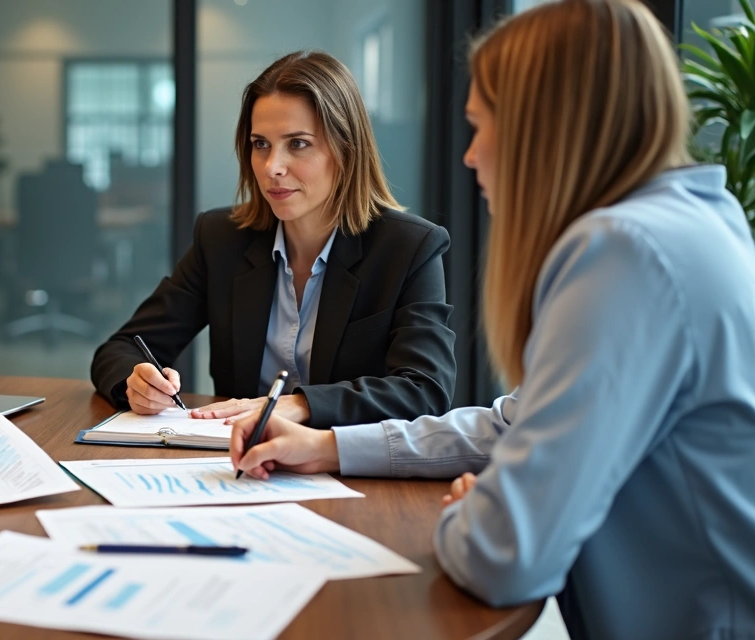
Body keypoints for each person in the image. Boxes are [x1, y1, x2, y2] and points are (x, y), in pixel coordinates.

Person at [228, 1, 755, 638]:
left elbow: (506, 555)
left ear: (546, 126)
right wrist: (329, 447)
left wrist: (470, 516)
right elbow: (517, 423)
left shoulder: (623, 254)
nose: (472, 156)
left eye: (482, 125)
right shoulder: (692, 221)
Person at [91, 51, 456, 429]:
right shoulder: (221, 239)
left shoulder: (409, 248)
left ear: (346, 149)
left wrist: (299, 406)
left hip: (350, 470)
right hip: (237, 467)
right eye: (260, 143)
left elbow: (426, 390)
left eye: (297, 143)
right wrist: (137, 382)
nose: (271, 167)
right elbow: (119, 350)